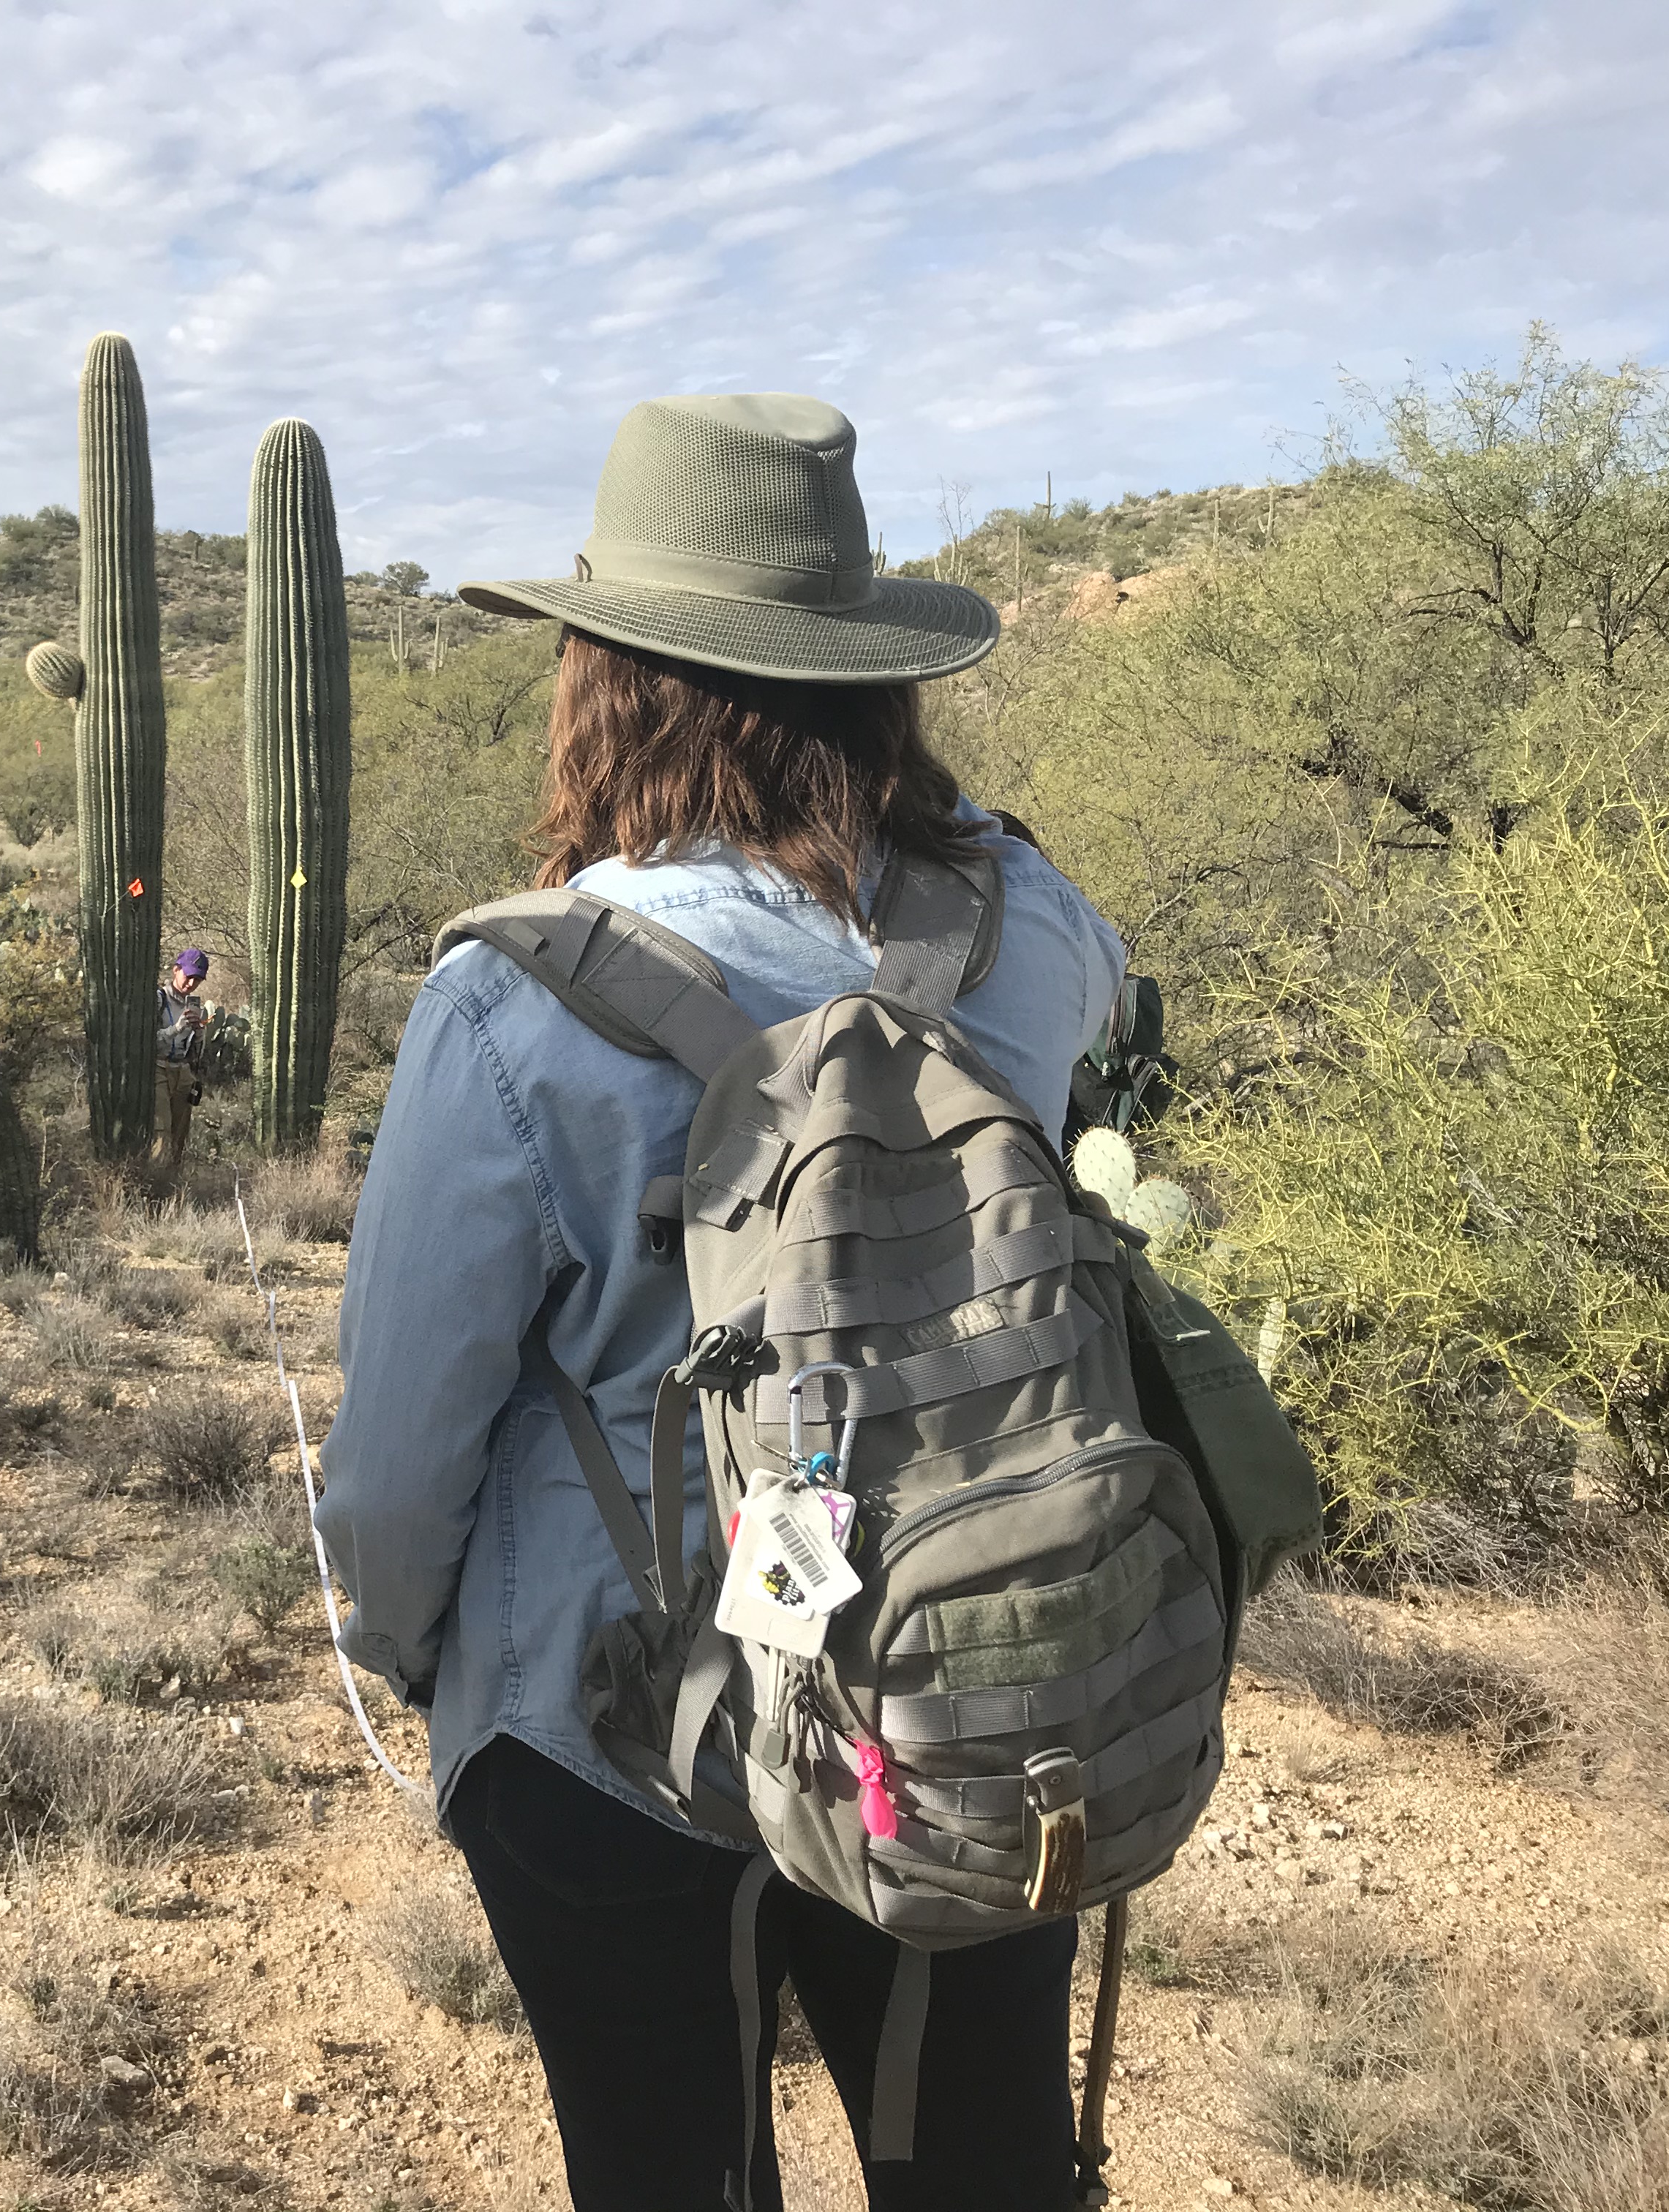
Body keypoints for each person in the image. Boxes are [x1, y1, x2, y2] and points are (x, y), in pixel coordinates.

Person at [315, 394, 1126, 2211]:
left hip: (607, 1730)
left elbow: (403, 1449)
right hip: (966, 1682)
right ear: (870, 671)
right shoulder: (1039, 923)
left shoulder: (517, 1001)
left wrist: (398, 1648)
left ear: (605, 679)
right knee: (982, 2169)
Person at [154, 947, 214, 1173]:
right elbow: (150, 1041)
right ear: (176, 970)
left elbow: (195, 1053)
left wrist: (198, 1032)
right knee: (161, 1132)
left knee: (180, 1133)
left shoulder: (192, 1005)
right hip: (159, 1070)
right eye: (189, 976)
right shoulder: (159, 1000)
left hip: (183, 1072)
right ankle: (156, 1182)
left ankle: (173, 1178)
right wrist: (176, 1028)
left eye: (197, 980)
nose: (191, 984)